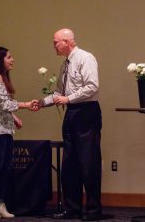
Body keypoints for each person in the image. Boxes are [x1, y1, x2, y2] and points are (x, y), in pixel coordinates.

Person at [39, 29, 102, 221]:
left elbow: (92, 86)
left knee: (88, 162)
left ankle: (93, 210)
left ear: (67, 42)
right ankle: (73, 208)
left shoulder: (85, 58)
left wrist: (68, 98)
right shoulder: (64, 65)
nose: (54, 46)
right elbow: (59, 92)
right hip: (72, 113)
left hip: (86, 112)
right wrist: (41, 103)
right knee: (70, 163)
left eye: (56, 42)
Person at [0, 46, 38, 219]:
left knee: (5, 167)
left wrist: (14, 117)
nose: (12, 60)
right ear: (0, 60)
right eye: (9, 57)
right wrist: (26, 105)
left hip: (4, 129)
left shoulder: (1, 77)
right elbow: (3, 104)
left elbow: (1, 104)